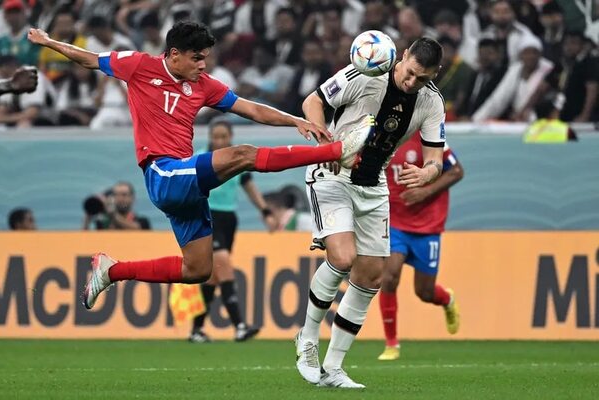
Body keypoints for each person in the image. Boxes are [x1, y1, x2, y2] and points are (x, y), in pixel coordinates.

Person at [27, 21, 371, 311]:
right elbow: (89, 59)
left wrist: (295, 119)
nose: (203, 65)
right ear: (173, 54)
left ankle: (112, 271)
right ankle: (336, 152)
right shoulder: (138, 65)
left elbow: (250, 108)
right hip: (163, 173)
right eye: (197, 58)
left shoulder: (203, 85)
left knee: (198, 269)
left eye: (205, 59)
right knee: (243, 154)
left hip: (185, 186)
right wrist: (49, 43)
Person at [295, 37, 446, 388]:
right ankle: (307, 338)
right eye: (409, 73)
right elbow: (312, 101)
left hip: (374, 186)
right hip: (333, 174)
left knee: (370, 277)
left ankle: (333, 368)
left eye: (422, 79)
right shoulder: (365, 70)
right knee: (343, 256)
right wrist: (326, 144)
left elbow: (436, 159)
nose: (411, 83)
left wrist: (427, 173)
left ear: (434, 75)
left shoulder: (431, 102)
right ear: (403, 56)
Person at [377, 132, 464, 362]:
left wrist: (425, 191)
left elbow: (457, 171)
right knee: (389, 277)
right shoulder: (385, 134)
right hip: (395, 222)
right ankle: (391, 344)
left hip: (427, 226)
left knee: (424, 292)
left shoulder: (430, 137)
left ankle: (446, 299)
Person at [189, 118, 274, 343]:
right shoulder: (200, 158)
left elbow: (248, 185)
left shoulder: (236, 159)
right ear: (210, 137)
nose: (219, 140)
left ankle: (196, 330)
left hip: (229, 219)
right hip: (208, 216)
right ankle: (240, 325)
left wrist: (265, 210)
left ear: (230, 137)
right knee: (224, 265)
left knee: (213, 276)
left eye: (223, 136)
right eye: (215, 136)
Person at [82, 181, 151, 230]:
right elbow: (86, 242)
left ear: (133, 198)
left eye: (124, 195)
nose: (120, 199)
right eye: (116, 195)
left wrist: (112, 213)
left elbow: (137, 230)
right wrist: (88, 217)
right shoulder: (102, 223)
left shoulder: (142, 221)